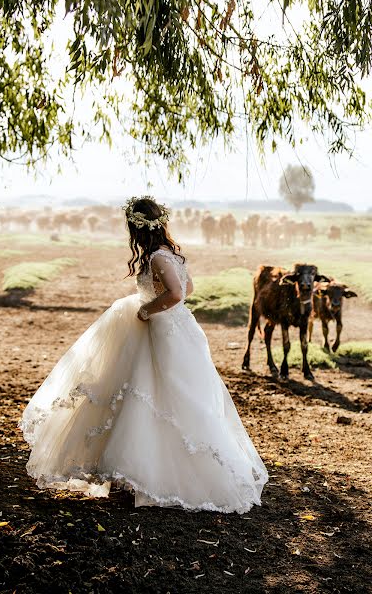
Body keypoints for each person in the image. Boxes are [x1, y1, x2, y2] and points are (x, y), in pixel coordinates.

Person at [20, 196, 268, 513]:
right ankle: (140, 470)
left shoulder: (156, 258)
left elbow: (176, 294)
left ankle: (162, 473)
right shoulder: (173, 255)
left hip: (162, 330)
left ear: (137, 228)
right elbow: (187, 288)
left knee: (160, 392)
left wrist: (147, 311)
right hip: (181, 328)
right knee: (164, 394)